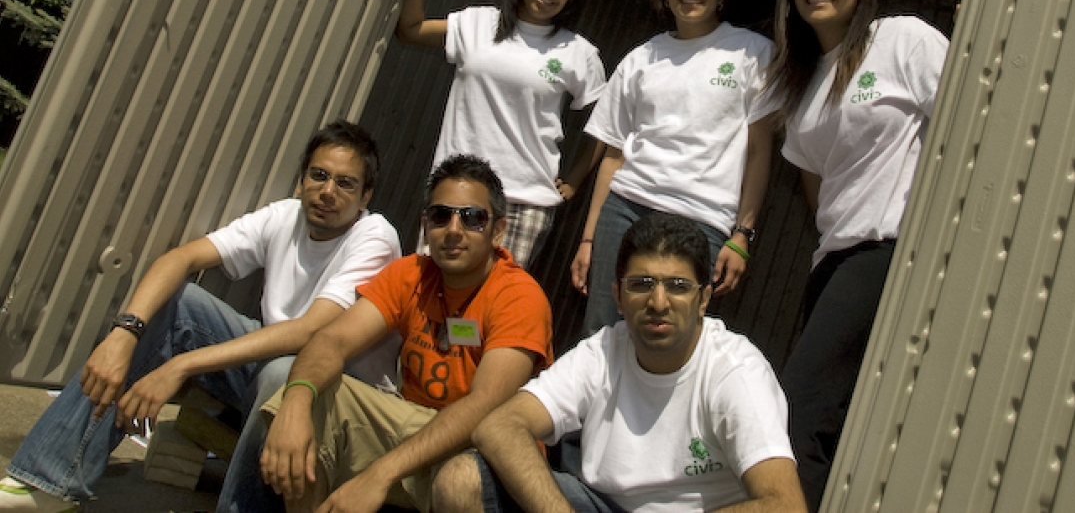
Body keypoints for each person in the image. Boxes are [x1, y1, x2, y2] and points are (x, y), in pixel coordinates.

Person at [0, 121, 402, 513]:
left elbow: (311, 332)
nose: (327, 191)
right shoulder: (285, 216)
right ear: (301, 181)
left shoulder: (375, 238)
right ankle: (50, 479)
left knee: (284, 372)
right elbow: (183, 258)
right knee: (180, 303)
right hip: (271, 371)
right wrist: (124, 333)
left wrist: (180, 365)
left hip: (336, 395)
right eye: (319, 175)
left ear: (365, 196)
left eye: (345, 183)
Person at [432, 214, 805, 513]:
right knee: (461, 479)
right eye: (642, 284)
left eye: (677, 286)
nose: (658, 302)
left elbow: (784, 504)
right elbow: (499, 426)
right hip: (598, 504)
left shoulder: (735, 370)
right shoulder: (603, 351)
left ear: (703, 299)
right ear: (618, 296)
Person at [765, 0, 949, 510]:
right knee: (837, 422)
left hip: (886, 249)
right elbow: (816, 183)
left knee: (799, 413)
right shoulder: (802, 84)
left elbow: (963, 116)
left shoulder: (900, 39)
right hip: (833, 261)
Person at [259, 154, 554, 513]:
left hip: (481, 453)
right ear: (425, 225)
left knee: (461, 478)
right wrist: (296, 403)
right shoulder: (411, 274)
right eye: (441, 216)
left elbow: (484, 406)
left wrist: (379, 475)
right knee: (302, 390)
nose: (454, 230)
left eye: (473, 218)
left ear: (498, 231)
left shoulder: (519, 297)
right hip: (413, 428)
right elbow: (331, 340)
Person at [571, 0, 775, 336]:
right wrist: (589, 238)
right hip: (626, 209)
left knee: (670, 339)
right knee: (601, 331)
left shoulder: (753, 53)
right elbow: (613, 156)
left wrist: (742, 236)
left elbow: (759, 151)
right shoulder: (640, 59)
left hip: (704, 221)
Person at [386, 0, 607, 269]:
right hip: (454, 192)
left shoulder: (579, 53)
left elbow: (607, 121)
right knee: (431, 301)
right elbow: (411, 29)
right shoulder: (479, 23)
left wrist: (575, 179)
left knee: (490, 314)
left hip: (523, 204)